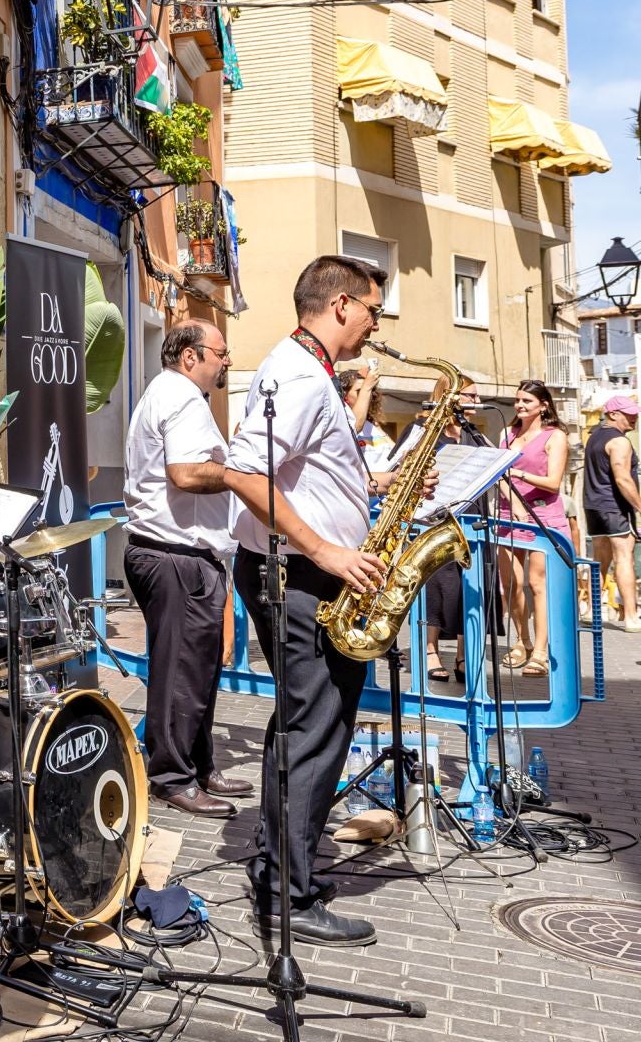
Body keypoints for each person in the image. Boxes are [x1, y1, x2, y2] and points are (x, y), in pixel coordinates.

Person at [225, 254, 433, 948]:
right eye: (373, 309)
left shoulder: (302, 371)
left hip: (296, 572)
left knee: (302, 727)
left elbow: (303, 471)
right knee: (318, 730)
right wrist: (326, 551)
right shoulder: (299, 376)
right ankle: (290, 893)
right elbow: (245, 473)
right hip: (302, 578)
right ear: (341, 304)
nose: (377, 324)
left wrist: (378, 485)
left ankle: (276, 868)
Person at [122, 318, 251, 817]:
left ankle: (197, 765)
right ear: (190, 355)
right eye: (220, 352)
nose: (227, 361)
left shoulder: (171, 394)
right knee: (180, 672)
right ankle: (172, 777)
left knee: (196, 670)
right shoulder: (180, 397)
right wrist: (243, 475)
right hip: (177, 555)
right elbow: (186, 473)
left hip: (180, 554)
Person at [496, 379, 570, 677]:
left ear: (544, 405)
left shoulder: (555, 437)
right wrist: (513, 502)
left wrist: (519, 473)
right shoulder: (507, 434)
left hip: (543, 518)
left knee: (538, 585)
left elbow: (553, 483)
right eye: (518, 400)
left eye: (527, 401)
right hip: (508, 516)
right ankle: (521, 640)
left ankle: (540, 650)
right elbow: (497, 475)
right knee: (512, 586)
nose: (520, 406)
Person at [415, 375, 484, 682]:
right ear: (450, 396)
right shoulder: (424, 430)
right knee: (436, 588)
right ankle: (430, 650)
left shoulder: (474, 435)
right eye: (469, 396)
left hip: (469, 520)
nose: (476, 403)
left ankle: (462, 654)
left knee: (465, 590)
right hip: (435, 520)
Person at [584, 394, 641, 631]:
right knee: (624, 558)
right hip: (615, 507)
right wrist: (639, 506)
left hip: (593, 506)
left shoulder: (594, 438)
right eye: (629, 413)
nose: (635, 417)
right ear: (613, 414)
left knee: (599, 560)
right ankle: (631, 616)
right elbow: (622, 478)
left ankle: (590, 611)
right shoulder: (620, 442)